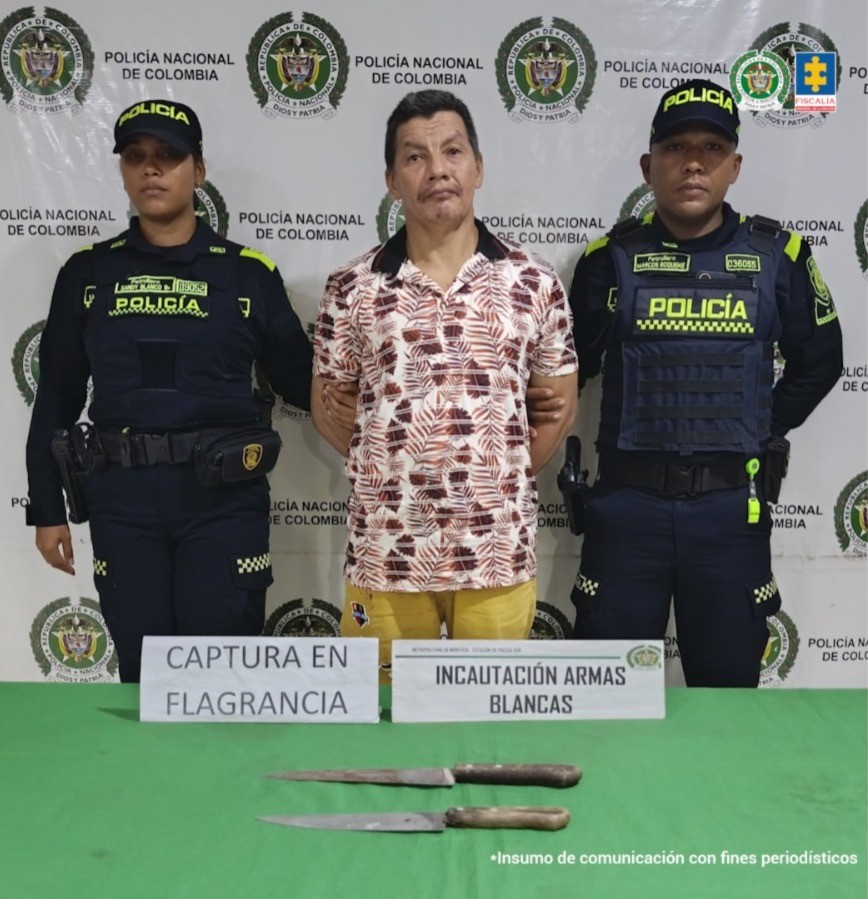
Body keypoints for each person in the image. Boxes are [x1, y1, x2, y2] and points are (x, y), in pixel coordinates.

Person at [564, 79, 843, 687]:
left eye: (712, 148)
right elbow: (565, 373)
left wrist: (755, 421)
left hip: (728, 515)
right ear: (649, 164)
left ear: (734, 165)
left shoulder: (780, 256)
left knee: (727, 708)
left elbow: (821, 362)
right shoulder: (607, 260)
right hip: (625, 514)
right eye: (675, 147)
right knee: (602, 703)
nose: (693, 162)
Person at [25, 99, 315, 682]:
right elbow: (55, 396)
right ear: (124, 171)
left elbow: (305, 383)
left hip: (223, 504)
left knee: (224, 678)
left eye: (168, 156)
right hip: (123, 505)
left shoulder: (247, 273)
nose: (151, 170)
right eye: (136, 157)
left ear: (198, 171)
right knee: (145, 678)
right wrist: (46, 508)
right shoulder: (86, 274)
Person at [311, 90, 578, 679]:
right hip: (385, 555)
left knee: (485, 725)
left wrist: (492, 472)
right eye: (414, 157)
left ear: (477, 167)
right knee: (380, 721)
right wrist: (393, 462)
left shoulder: (532, 282)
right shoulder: (352, 287)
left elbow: (557, 408)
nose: (436, 170)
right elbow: (330, 411)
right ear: (391, 179)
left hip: (495, 554)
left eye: (452, 151)